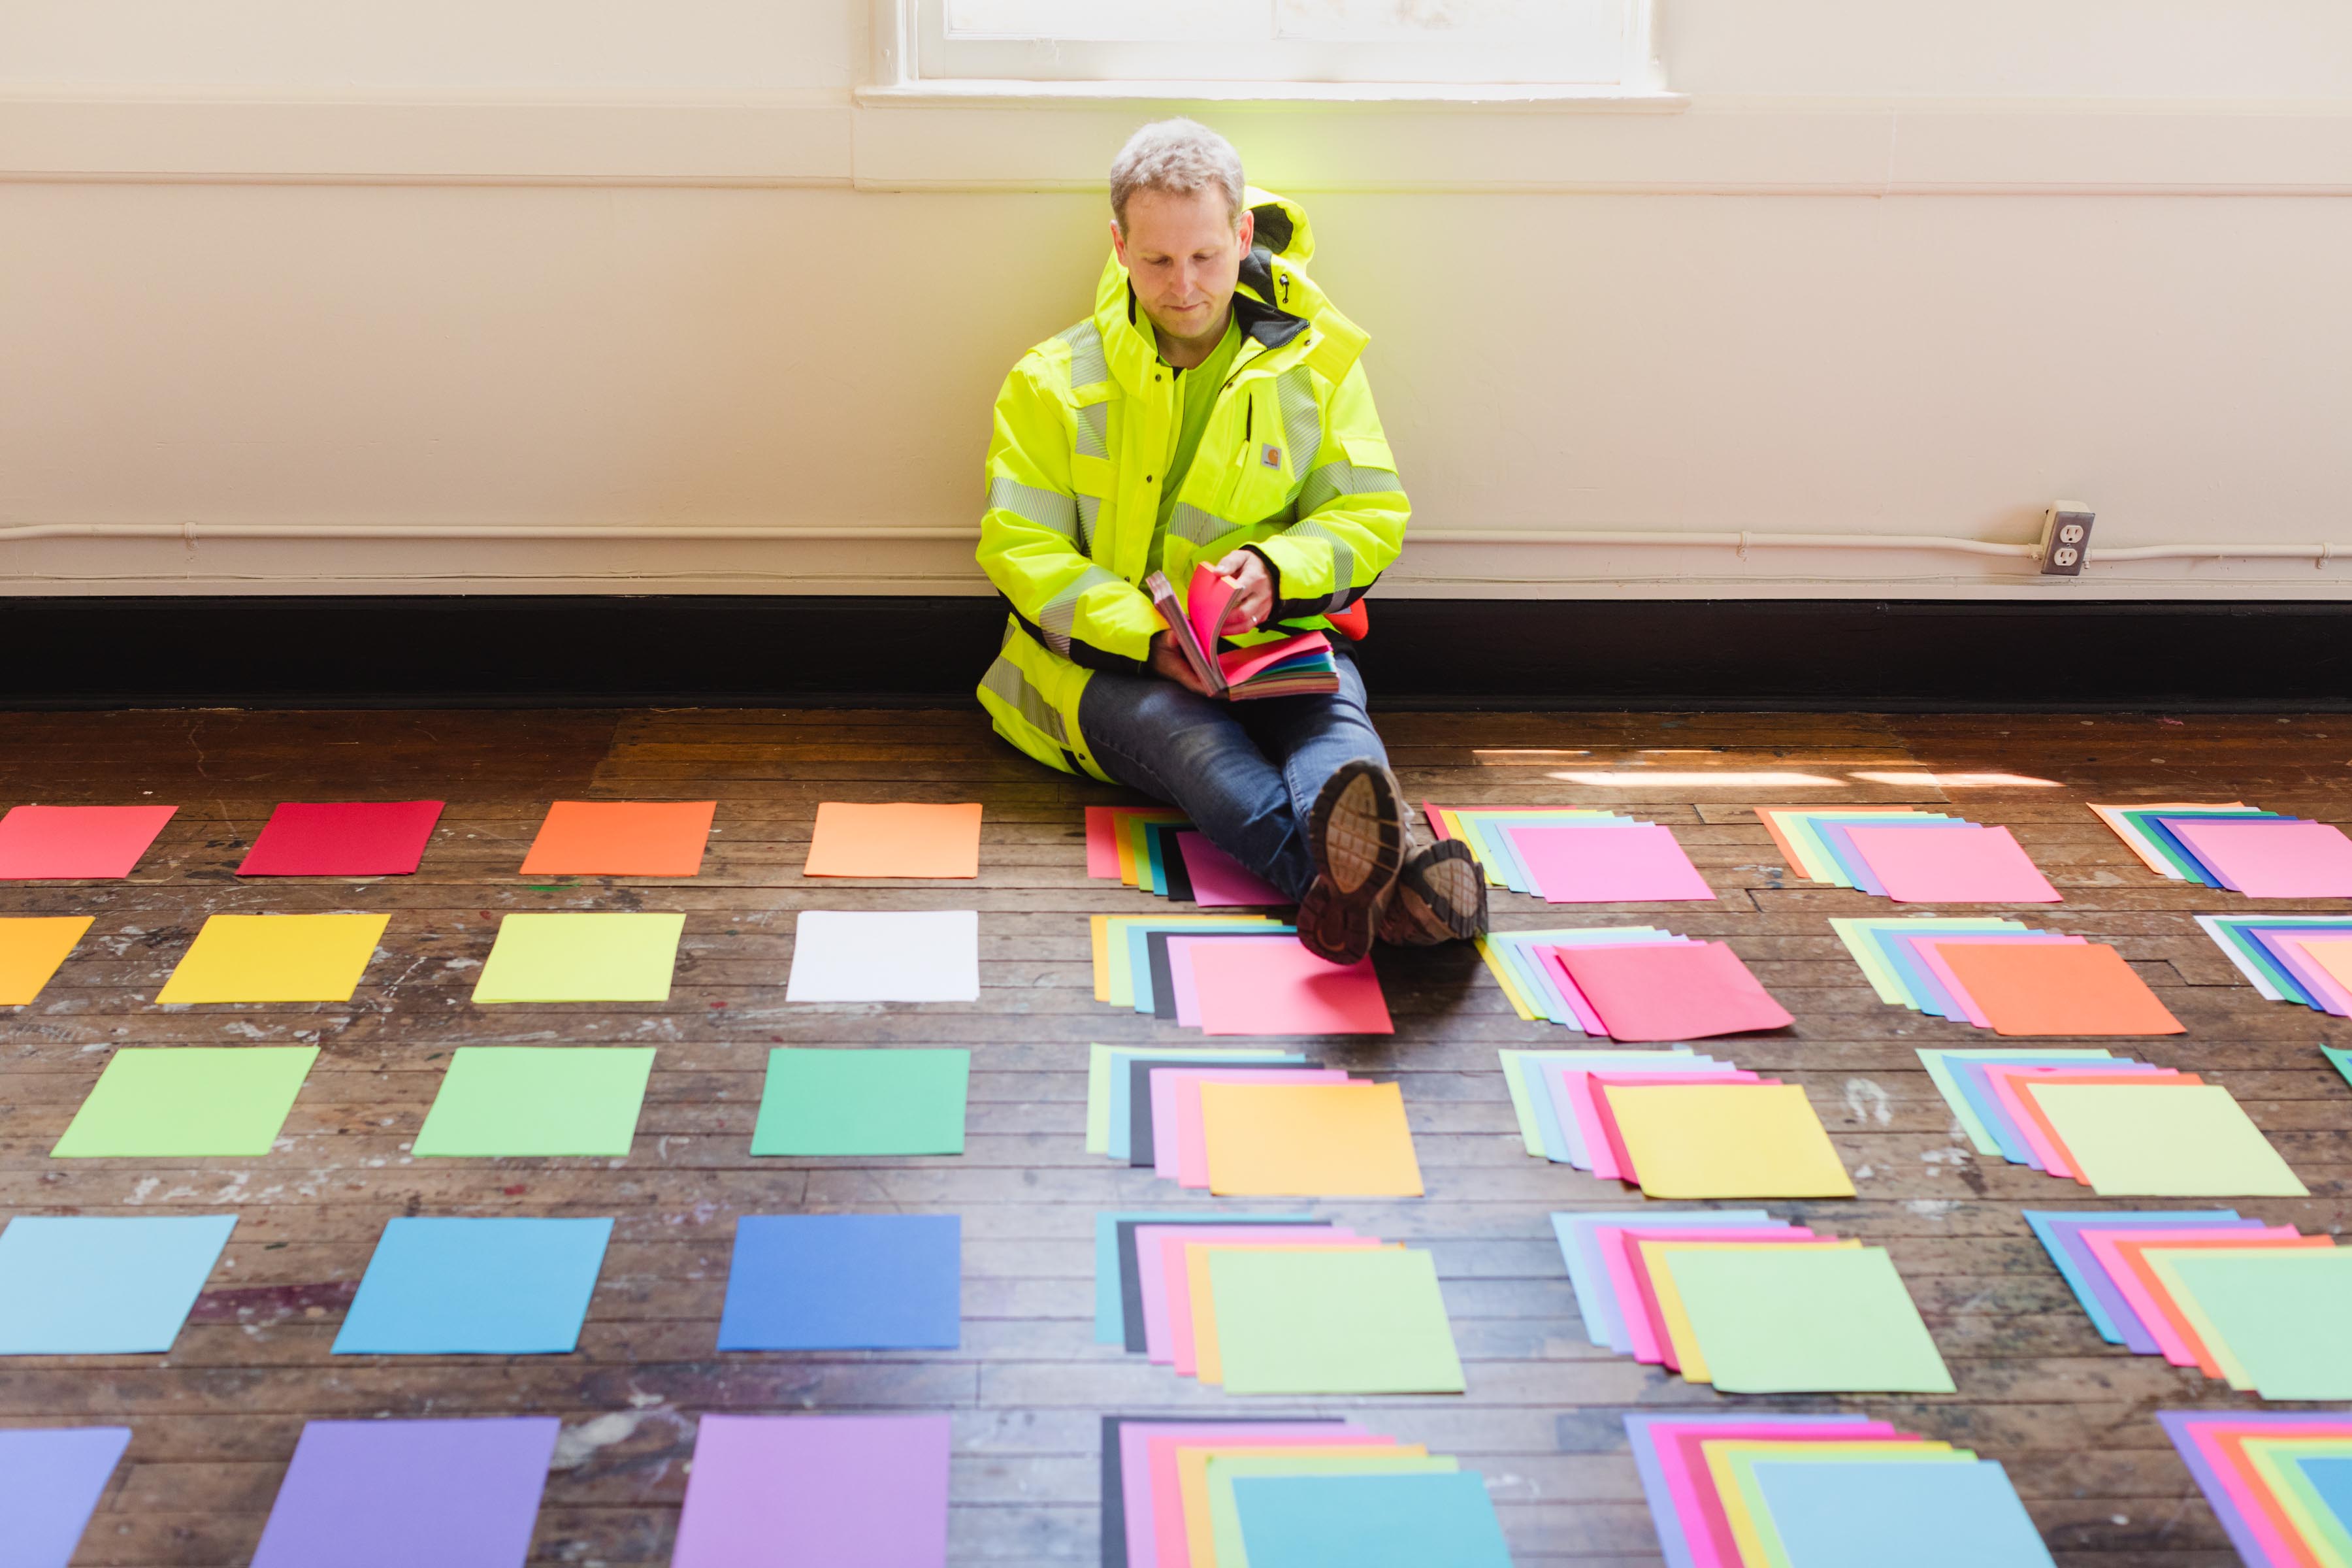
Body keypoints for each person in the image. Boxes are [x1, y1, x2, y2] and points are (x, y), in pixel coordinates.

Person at [973, 118, 1484, 965]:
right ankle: (1396, 899)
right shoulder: (1048, 383)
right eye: (1157, 261)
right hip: (1111, 666)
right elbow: (1022, 551)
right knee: (1194, 747)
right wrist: (1148, 638)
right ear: (1119, 247)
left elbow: (1368, 513)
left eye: (1206, 257)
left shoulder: (1316, 367)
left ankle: (1363, 892)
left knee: (1332, 724)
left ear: (1243, 236)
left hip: (1271, 639)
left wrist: (1276, 573)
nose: (1183, 287)